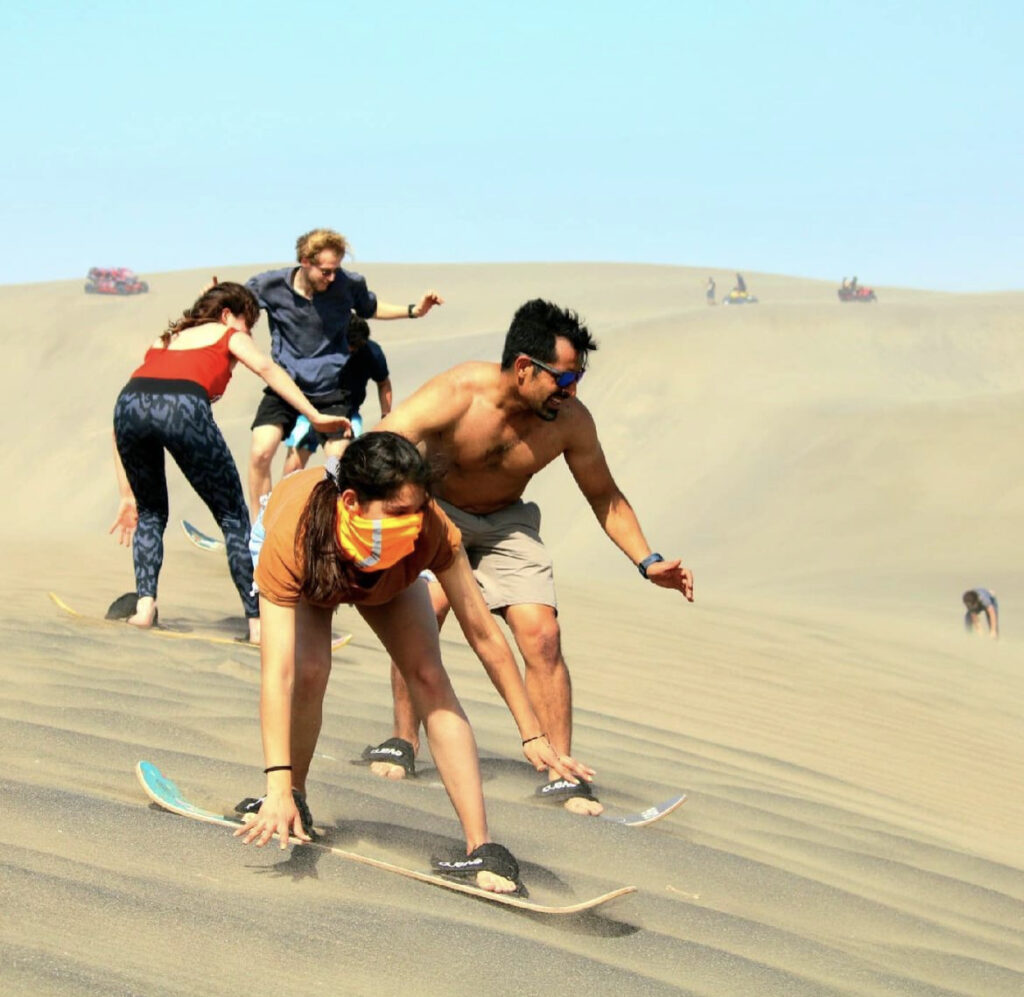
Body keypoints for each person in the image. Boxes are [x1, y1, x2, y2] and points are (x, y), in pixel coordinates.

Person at [362, 299, 694, 816]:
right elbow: (382, 438)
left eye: (577, 380)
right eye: (563, 381)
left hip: (505, 523)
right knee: (423, 615)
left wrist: (648, 561)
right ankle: (403, 740)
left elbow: (604, 495)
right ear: (524, 368)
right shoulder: (458, 393)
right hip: (434, 510)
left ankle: (562, 769)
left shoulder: (569, 422)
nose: (572, 393)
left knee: (543, 635)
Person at [232, 432, 593, 892]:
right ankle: (291, 798)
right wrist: (278, 784)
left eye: (419, 508)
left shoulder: (431, 530)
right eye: (399, 513)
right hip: (312, 566)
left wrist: (532, 732)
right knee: (308, 670)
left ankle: (481, 847)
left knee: (429, 677)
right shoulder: (294, 535)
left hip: (388, 579)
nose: (414, 521)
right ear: (352, 501)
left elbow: (484, 633)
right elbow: (277, 674)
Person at [108, 283, 349, 642]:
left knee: (151, 511)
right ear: (226, 315)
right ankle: (257, 624)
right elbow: (267, 368)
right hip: (183, 409)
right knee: (234, 518)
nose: (248, 334)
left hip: (128, 406)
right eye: (247, 324)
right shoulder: (226, 333)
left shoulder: (165, 341)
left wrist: (127, 493)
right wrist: (314, 415)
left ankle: (144, 609)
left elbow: (120, 425)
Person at [245, 228, 443, 520]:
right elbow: (236, 303)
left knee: (337, 465)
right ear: (305, 261)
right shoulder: (269, 285)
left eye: (336, 270)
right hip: (285, 387)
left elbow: (371, 308)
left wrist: (415, 310)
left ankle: (331, 526)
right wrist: (213, 301)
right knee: (261, 452)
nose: (332, 278)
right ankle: (260, 526)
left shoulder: (348, 284)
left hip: (330, 389)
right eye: (325, 271)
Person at [281, 315, 392, 474]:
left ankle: (335, 495)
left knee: (340, 465)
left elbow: (383, 383)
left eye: (354, 349)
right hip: (311, 411)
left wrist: (385, 415)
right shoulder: (321, 347)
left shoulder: (371, 353)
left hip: (347, 415)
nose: (349, 353)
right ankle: (287, 496)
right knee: (293, 467)